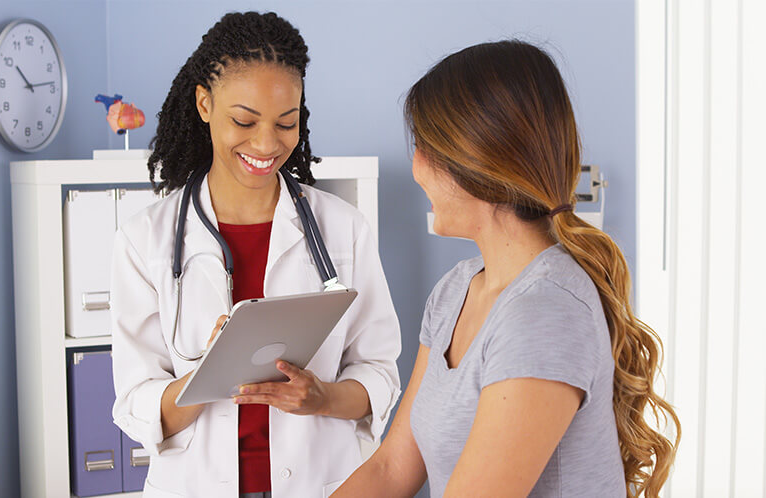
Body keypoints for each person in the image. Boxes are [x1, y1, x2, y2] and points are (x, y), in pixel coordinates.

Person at [333, 40, 680, 498]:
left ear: (476, 162)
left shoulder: (546, 312)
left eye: (424, 147)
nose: (415, 166)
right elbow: (393, 469)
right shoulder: (456, 290)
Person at [110, 12, 401, 498]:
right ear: (204, 103)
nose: (266, 144)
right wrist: (210, 374)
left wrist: (322, 397)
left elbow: (378, 374)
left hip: (323, 482)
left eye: (286, 123)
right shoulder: (144, 240)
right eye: (244, 121)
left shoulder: (343, 228)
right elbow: (136, 403)